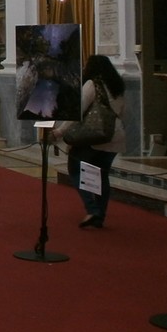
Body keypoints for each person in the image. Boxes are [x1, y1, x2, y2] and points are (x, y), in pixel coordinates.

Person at [52, 54, 126, 228]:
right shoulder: (118, 86)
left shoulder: (93, 84)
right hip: (113, 136)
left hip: (92, 136)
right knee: (102, 175)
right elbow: (122, 113)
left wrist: (60, 131)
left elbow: (78, 110)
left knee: (76, 169)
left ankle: (92, 210)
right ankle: (100, 213)